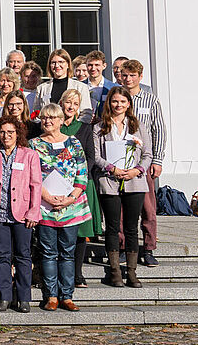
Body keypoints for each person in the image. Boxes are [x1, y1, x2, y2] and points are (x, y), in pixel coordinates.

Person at [29, 103, 90, 311]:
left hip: (70, 206)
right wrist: (47, 196)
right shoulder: (33, 145)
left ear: (61, 121)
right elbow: (32, 175)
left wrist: (71, 198)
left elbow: (82, 172)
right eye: (44, 118)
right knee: (47, 252)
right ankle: (51, 296)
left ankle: (67, 295)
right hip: (45, 206)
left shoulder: (73, 143)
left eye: (52, 118)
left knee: (67, 252)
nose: (47, 121)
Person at [93, 87, 152, 288]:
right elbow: (96, 156)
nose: (118, 105)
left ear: (129, 104)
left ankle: (132, 272)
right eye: (115, 101)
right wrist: (112, 168)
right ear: (109, 103)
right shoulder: (100, 127)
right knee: (111, 226)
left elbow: (147, 154)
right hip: (110, 181)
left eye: (122, 102)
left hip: (134, 181)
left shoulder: (138, 126)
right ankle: (115, 270)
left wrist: (137, 170)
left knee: (131, 227)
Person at [0, 115, 42, 313]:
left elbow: (36, 185)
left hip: (23, 213)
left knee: (23, 255)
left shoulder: (29, 155)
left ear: (18, 134)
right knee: (2, 256)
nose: (6, 135)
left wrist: (34, 212)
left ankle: (24, 297)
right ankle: (5, 296)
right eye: (2, 132)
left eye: (11, 132)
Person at [115, 60, 164, 267]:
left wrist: (157, 159)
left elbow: (159, 130)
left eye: (132, 75)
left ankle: (149, 247)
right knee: (122, 210)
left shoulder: (150, 100)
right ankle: (124, 247)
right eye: (125, 75)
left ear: (140, 77)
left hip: (143, 161)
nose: (128, 79)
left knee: (148, 207)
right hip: (119, 160)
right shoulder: (116, 98)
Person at [59, 88, 103, 284]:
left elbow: (91, 158)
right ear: (61, 104)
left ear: (79, 108)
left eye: (75, 104)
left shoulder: (85, 128)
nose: (71, 107)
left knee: (79, 233)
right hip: (57, 186)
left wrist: (77, 177)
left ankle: (77, 273)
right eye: (68, 102)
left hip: (82, 185)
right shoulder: (54, 127)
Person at [34, 49, 94, 123]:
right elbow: (36, 114)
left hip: (73, 132)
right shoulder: (42, 88)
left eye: (61, 62)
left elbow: (87, 114)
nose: (57, 65)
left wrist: (74, 127)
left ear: (68, 64)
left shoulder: (81, 87)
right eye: (53, 62)